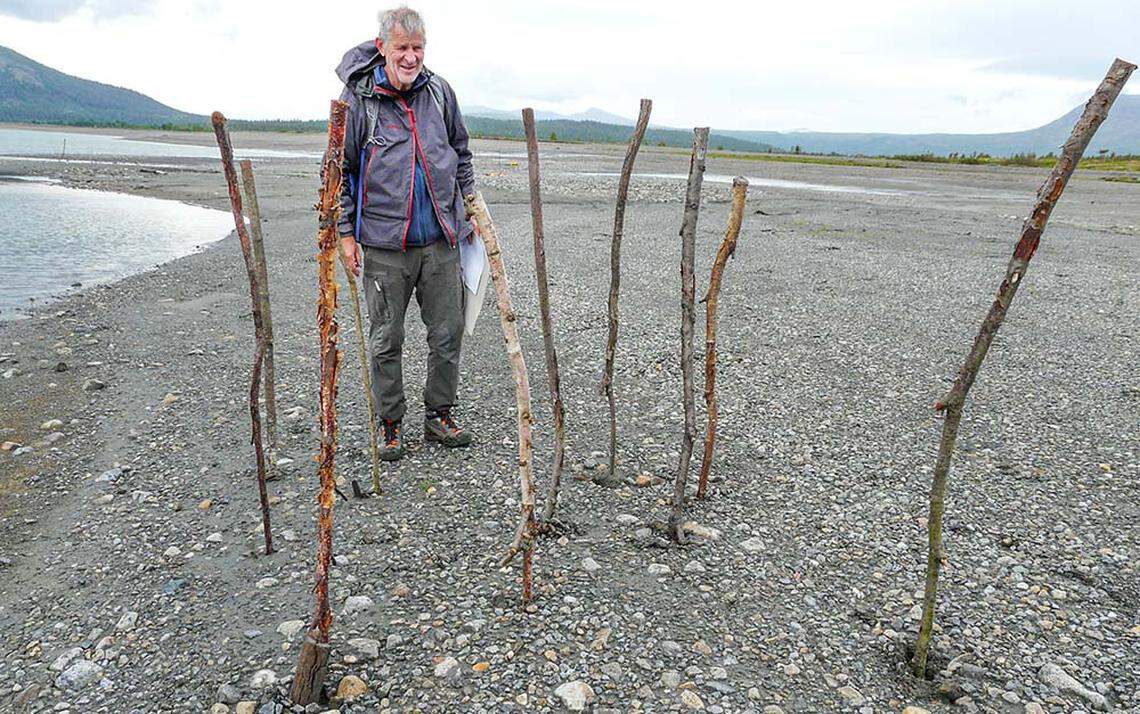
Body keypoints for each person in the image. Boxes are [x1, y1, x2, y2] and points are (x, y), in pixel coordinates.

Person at [334, 5, 475, 461]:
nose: (411, 57)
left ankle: (439, 416)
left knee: (447, 333)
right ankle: (390, 423)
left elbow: (461, 154)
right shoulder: (357, 100)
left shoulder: (439, 93)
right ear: (382, 48)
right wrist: (344, 234)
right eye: (402, 48)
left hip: (440, 241)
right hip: (383, 245)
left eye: (418, 48)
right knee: (385, 339)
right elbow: (339, 171)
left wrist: (468, 210)